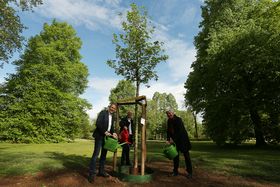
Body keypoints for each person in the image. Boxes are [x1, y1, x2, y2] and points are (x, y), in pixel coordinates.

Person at [88, 103, 118, 183]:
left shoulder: (113, 117)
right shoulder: (103, 113)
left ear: (115, 110)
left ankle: (101, 171)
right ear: (109, 107)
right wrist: (104, 132)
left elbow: (110, 127)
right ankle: (91, 174)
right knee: (95, 155)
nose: (112, 109)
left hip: (106, 138)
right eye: (111, 107)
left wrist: (113, 133)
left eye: (114, 108)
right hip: (99, 136)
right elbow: (98, 123)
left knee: (103, 155)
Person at [165, 108, 193, 178]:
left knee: (187, 157)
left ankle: (190, 172)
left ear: (173, 113)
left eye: (170, 113)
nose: (169, 114)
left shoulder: (178, 120)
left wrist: (173, 139)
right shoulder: (169, 121)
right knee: (175, 156)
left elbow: (179, 131)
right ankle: (175, 171)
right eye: (167, 113)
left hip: (183, 141)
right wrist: (168, 139)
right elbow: (168, 131)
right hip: (176, 142)